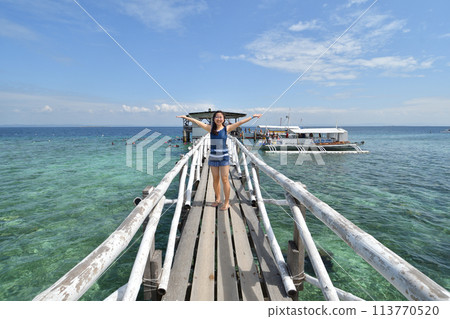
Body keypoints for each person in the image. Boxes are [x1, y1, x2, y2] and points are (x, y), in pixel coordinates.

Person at [177, 111, 262, 211]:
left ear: (223, 119)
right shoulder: (210, 129)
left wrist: (252, 116)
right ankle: (218, 199)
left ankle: (226, 202)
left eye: (220, 117)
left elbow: (240, 123)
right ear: (214, 119)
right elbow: (198, 123)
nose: (219, 118)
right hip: (213, 157)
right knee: (215, 179)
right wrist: (186, 118)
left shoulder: (227, 129)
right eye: (217, 117)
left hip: (224, 158)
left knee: (225, 179)